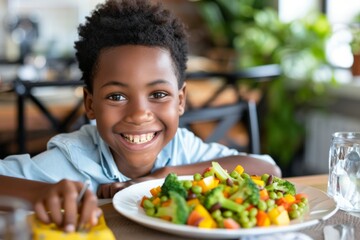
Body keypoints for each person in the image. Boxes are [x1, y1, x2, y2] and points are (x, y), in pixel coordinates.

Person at [0, 0, 281, 233]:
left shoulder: (182, 149)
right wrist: (40, 194)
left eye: (158, 94)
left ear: (180, 100)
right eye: (116, 96)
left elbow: (268, 170)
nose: (138, 114)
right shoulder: (74, 158)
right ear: (90, 104)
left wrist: (164, 177)